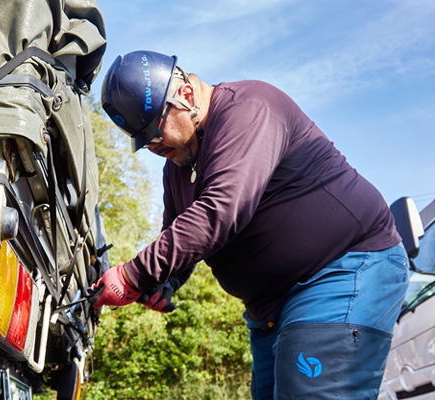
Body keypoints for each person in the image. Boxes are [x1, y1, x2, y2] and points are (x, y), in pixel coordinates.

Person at [89, 50, 409, 399]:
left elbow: (222, 210)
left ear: (185, 95)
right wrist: (166, 280)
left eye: (154, 130)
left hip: (344, 269)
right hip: (270, 306)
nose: (152, 145)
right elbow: (178, 231)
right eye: (142, 140)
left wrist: (132, 275)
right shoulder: (176, 168)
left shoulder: (249, 108)